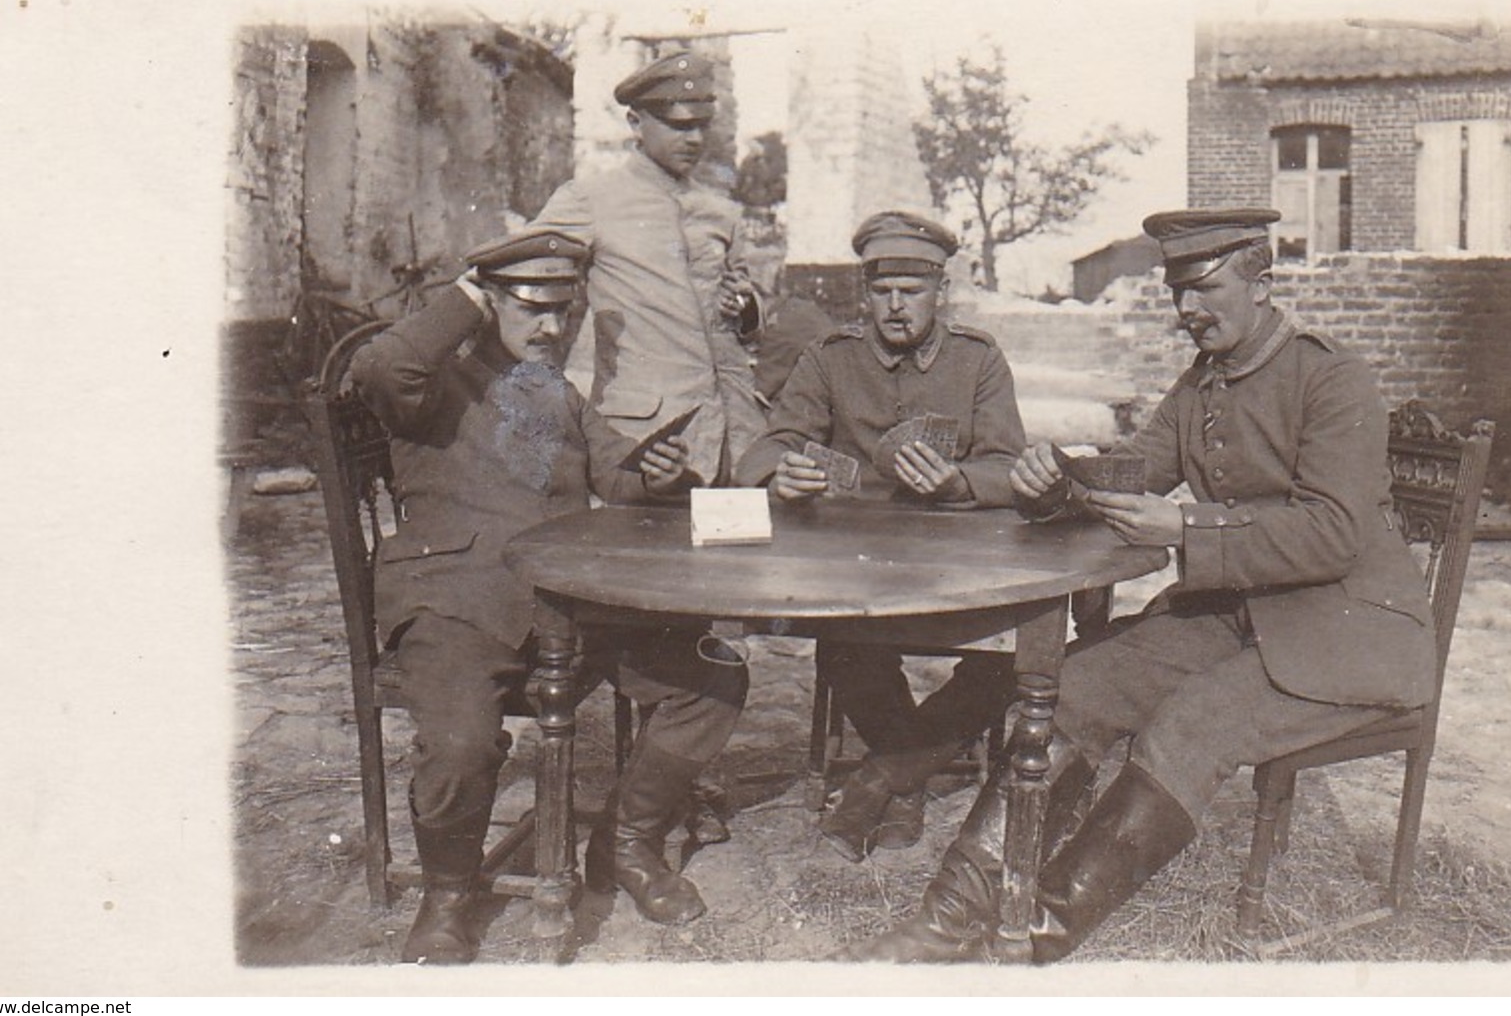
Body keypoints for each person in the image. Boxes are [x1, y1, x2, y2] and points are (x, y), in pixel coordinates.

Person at [847, 207, 1438, 963]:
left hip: (1347, 633)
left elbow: (1333, 533)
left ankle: (1031, 940)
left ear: (1262, 284)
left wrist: (1185, 531)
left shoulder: (1331, 378)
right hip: (1240, 615)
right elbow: (1134, 467)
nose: (1186, 309)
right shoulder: (1204, 382)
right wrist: (1053, 477)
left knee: (1190, 725)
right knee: (1074, 686)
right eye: (1176, 291)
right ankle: (944, 920)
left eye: (1203, 288)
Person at [350, 229, 749, 965]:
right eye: (532, 308)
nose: (552, 328)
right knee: (461, 743)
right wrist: (463, 300)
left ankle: (625, 843)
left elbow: (619, 481)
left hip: (566, 606)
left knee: (712, 675)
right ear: (485, 302)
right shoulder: (432, 380)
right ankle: (448, 891)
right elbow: (379, 365)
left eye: (564, 311)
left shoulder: (557, 391)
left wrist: (657, 473)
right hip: (456, 605)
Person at [734, 210, 1027, 862]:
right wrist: (780, 471)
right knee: (843, 646)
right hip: (855, 560)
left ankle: (881, 778)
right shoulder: (828, 358)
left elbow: (1010, 464)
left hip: (957, 559)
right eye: (883, 291)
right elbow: (772, 442)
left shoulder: (977, 360)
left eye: (912, 291)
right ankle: (905, 784)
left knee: (1009, 660)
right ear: (864, 294)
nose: (896, 307)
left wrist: (958, 483)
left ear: (939, 291)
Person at [530, 47, 766, 488]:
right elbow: (517, 272)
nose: (694, 139)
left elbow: (748, 321)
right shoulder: (589, 200)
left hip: (734, 433)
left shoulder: (721, 212)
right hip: (647, 439)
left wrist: (747, 307)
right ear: (636, 123)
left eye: (700, 126)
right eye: (679, 125)